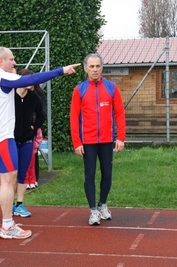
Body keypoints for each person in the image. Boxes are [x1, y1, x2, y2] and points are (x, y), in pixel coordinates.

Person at [0, 46, 80, 239]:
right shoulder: (2, 78)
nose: (14, 63)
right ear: (1, 61)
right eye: (11, 59)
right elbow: (31, 79)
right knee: (8, 180)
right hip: (1, 138)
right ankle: (7, 226)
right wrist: (61, 70)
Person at [69, 53, 126, 226]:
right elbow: (74, 117)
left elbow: (119, 113)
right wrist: (77, 142)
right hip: (88, 141)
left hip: (107, 140)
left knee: (107, 175)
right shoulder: (79, 89)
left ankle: (103, 204)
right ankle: (93, 210)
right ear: (86, 68)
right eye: (91, 66)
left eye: (98, 66)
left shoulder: (111, 87)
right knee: (90, 175)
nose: (95, 70)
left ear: (102, 68)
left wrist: (121, 138)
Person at [12, 68, 44, 217]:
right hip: (11, 140)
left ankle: (19, 204)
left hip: (27, 141)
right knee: (11, 174)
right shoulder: (10, 96)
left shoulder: (34, 98)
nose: (33, 83)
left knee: (23, 174)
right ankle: (9, 203)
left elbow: (41, 116)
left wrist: (34, 126)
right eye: (30, 79)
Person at [25, 82, 47, 188]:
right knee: (25, 164)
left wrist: (36, 145)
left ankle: (33, 180)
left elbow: (42, 114)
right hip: (24, 139)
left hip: (32, 143)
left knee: (32, 163)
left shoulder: (39, 95)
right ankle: (26, 181)